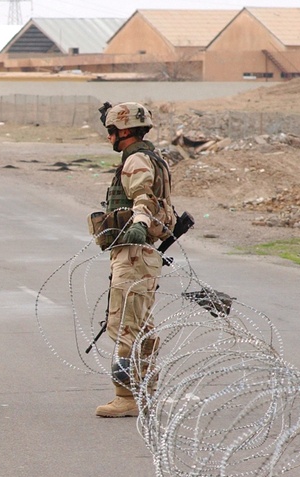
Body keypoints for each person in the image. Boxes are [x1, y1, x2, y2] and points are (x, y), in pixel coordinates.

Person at [93, 101, 175, 418]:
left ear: (124, 131)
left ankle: (126, 395)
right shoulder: (152, 157)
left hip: (133, 251)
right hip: (146, 254)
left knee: (125, 324)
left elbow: (142, 198)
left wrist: (139, 225)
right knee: (141, 324)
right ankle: (146, 391)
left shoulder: (137, 160)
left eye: (111, 131)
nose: (109, 137)